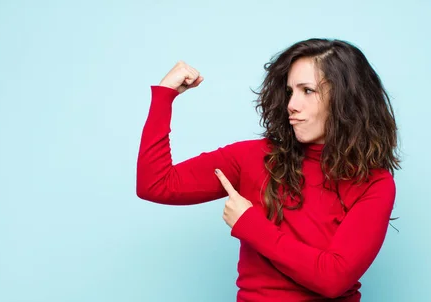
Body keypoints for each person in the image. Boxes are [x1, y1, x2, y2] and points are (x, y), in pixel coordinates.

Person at [136, 38, 400, 301]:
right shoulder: (252, 157)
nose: (292, 105)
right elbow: (156, 184)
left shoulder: (375, 183)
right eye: (290, 92)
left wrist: (250, 224)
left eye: (307, 91)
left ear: (345, 99)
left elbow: (333, 279)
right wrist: (164, 96)